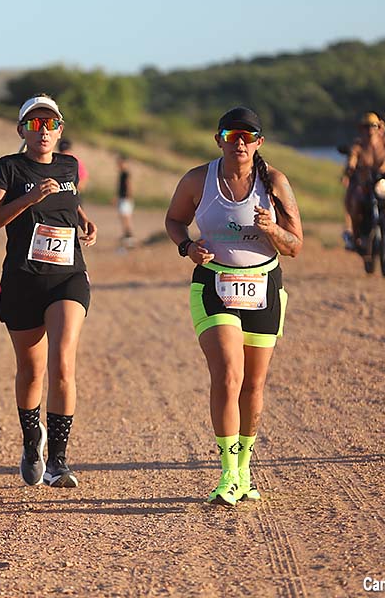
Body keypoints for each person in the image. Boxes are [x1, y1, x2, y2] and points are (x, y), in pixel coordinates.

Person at [164, 107, 303, 506]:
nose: (239, 142)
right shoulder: (197, 180)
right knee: (228, 375)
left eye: (248, 135)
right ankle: (227, 473)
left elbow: (295, 246)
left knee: (253, 385)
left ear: (259, 142)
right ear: (219, 139)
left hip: (264, 288)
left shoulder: (273, 182)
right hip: (214, 284)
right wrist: (188, 246)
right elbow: (174, 220)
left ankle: (245, 469)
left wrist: (272, 228)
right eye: (231, 134)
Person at [0, 94, 97, 488]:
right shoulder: (7, 168)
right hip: (22, 278)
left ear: (60, 130)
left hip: (67, 276)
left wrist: (83, 219)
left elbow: (69, 198)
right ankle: (33, 444)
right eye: (34, 124)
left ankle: (58, 461)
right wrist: (30, 198)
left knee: (62, 363)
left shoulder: (69, 165)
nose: (42, 131)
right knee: (30, 370)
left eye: (50, 124)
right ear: (21, 130)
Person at [342, 112, 385, 250]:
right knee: (355, 203)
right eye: (366, 127)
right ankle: (356, 238)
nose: (370, 130)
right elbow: (353, 158)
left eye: (373, 126)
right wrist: (350, 166)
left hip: (384, 180)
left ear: (378, 127)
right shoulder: (358, 144)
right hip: (366, 182)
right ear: (361, 128)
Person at [116, 154, 135, 248]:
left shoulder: (126, 174)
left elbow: (128, 185)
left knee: (126, 218)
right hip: (122, 198)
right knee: (123, 218)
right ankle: (126, 236)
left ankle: (129, 237)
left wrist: (128, 197)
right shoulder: (122, 173)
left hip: (125, 199)